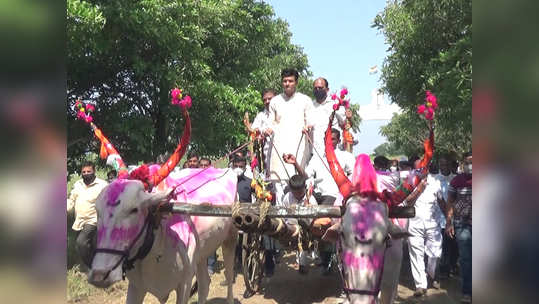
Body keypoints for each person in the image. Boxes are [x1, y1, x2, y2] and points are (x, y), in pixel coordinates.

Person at [283, 128, 354, 275]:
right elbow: (306, 175)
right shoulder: (316, 157)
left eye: (333, 139)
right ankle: (306, 248)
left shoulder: (346, 156)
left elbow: (353, 176)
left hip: (335, 196)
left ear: (338, 141)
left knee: (321, 224)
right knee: (302, 216)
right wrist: (295, 163)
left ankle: (326, 258)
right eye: (327, 139)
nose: (329, 142)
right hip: (316, 194)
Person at [267, 68, 314, 207]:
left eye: (290, 81)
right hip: (279, 146)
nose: (287, 84)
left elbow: (310, 121)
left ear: (296, 82)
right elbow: (271, 122)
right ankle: (282, 219)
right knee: (280, 185)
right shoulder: (275, 101)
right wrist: (267, 129)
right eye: (285, 81)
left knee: (298, 180)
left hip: (298, 144)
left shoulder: (305, 100)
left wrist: (308, 126)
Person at [407, 159, 446, 297]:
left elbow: (442, 202)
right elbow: (407, 202)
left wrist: (449, 220)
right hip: (414, 223)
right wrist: (418, 190)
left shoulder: (436, 182)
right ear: (414, 170)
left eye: (423, 168)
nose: (421, 171)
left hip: (433, 224)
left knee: (434, 254)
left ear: (427, 169)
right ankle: (420, 285)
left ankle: (430, 274)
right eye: (418, 169)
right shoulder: (409, 182)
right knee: (416, 255)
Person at [67, 161, 108, 270]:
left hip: (93, 220)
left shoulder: (102, 185)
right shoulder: (78, 184)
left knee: (81, 243)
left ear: (94, 171)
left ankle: (93, 267)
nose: (86, 173)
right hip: (79, 220)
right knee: (84, 245)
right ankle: (95, 263)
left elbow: (109, 201)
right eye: (84, 172)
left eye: (88, 171)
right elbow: (71, 200)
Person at [445, 152, 472, 303]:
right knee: (466, 259)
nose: (471, 165)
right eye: (468, 162)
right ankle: (467, 292)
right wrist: (449, 222)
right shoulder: (456, 181)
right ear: (463, 164)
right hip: (462, 224)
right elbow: (450, 201)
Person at [281, 174, 318, 274]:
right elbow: (283, 215)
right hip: (291, 226)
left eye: (300, 192)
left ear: (304, 188)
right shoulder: (287, 198)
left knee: (304, 235)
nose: (297, 194)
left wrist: (307, 208)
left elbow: (314, 218)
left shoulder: (311, 199)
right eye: (294, 192)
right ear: (291, 190)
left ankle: (302, 263)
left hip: (306, 227)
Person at [307, 77, 349, 160]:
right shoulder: (310, 106)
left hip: (332, 153)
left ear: (327, 89)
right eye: (315, 88)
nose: (318, 90)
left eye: (320, 88)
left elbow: (344, 124)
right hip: (314, 153)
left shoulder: (335, 104)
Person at [436, 155, 459, 279]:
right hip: (440, 218)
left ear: (451, 165)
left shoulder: (456, 179)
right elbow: (439, 200)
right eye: (441, 164)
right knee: (444, 245)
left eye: (446, 164)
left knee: (455, 245)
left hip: (456, 217)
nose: (444, 167)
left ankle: (453, 265)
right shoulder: (435, 180)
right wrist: (447, 216)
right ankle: (444, 270)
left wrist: (452, 215)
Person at [251, 88, 277, 177]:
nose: (267, 101)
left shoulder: (283, 113)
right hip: (266, 156)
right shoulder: (261, 116)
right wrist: (262, 131)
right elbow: (253, 130)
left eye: (270, 99)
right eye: (265, 100)